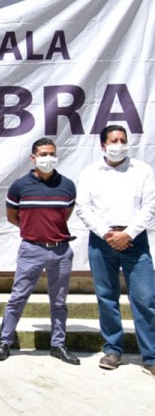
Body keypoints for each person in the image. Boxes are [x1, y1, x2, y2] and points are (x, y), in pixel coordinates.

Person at [75, 124, 155, 376]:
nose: (119, 144)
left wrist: (128, 233)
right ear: (102, 145)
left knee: (145, 298)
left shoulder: (141, 170)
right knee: (107, 297)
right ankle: (112, 350)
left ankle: (150, 355)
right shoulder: (90, 173)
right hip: (102, 241)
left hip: (135, 240)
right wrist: (107, 234)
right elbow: (83, 207)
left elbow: (150, 205)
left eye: (122, 139)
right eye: (113, 140)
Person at [0, 138, 80, 365]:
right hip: (31, 249)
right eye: (43, 154)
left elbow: (64, 215)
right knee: (18, 297)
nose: (47, 158)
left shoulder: (67, 186)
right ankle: (4, 342)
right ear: (33, 158)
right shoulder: (20, 186)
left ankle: (58, 344)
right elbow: (12, 217)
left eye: (51, 153)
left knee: (59, 302)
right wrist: (34, 231)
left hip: (61, 251)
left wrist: (50, 232)